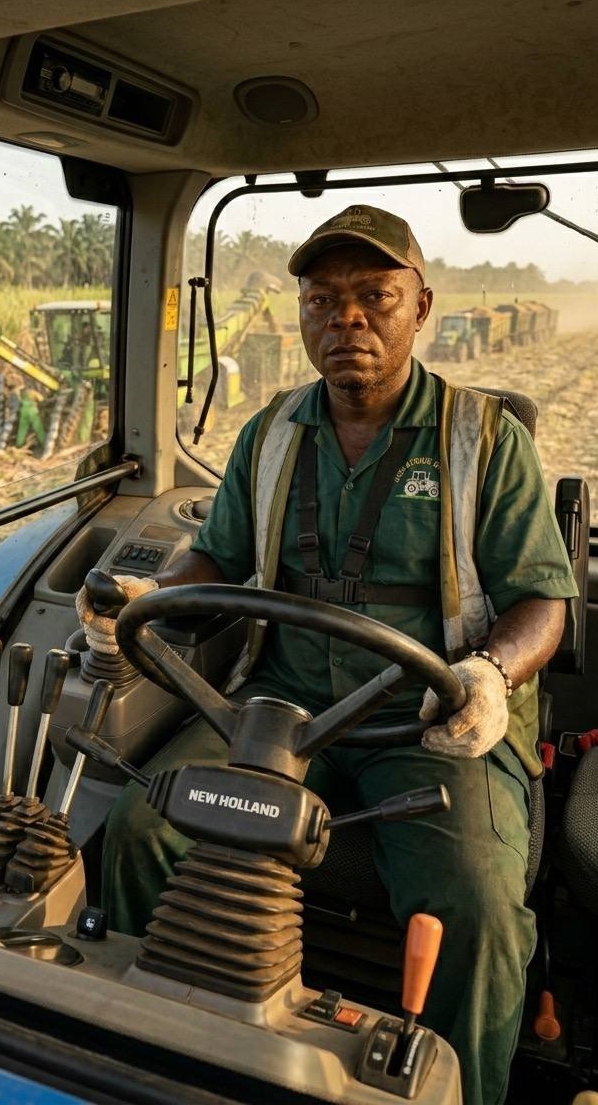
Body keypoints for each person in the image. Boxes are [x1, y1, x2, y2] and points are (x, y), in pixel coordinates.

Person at [79, 205, 578, 1105]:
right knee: (140, 833)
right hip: (275, 709)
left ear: (420, 307)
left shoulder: (486, 441)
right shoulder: (270, 432)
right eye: (323, 300)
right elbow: (218, 558)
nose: (347, 318)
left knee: (477, 911)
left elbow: (544, 599)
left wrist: (490, 674)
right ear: (301, 315)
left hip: (428, 724)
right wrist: (152, 601)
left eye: (374, 297)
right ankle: (155, 1062)